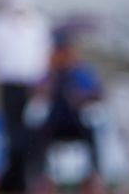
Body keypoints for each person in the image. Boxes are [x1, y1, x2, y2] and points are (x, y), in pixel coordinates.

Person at [0, 0, 53, 193]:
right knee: (13, 137)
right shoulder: (0, 25)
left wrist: (42, 85)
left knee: (33, 136)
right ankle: (15, 181)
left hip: (33, 88)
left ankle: (33, 178)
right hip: (10, 86)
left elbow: (43, 55)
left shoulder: (38, 25)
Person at [32, 36, 103, 194]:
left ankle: (92, 176)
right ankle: (42, 177)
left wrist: (80, 96)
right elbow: (36, 90)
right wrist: (47, 87)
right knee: (36, 132)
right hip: (55, 123)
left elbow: (97, 93)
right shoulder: (50, 73)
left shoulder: (80, 72)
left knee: (93, 128)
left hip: (77, 122)